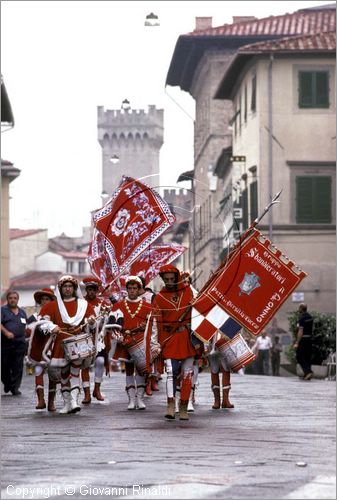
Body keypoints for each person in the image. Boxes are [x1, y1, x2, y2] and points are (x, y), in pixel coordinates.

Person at [39, 275, 96, 414]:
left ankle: (74, 401)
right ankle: (67, 403)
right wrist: (52, 326)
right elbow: (42, 322)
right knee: (64, 372)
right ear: (60, 288)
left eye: (70, 286)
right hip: (60, 342)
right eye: (65, 286)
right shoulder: (51, 306)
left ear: (74, 288)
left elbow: (92, 321)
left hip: (78, 341)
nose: (68, 289)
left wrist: (92, 322)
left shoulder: (84, 305)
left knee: (75, 371)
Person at [151, 265, 196, 421]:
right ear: (162, 279)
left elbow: (201, 309)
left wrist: (197, 301)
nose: (170, 282)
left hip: (187, 338)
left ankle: (183, 406)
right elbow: (156, 322)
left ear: (176, 278)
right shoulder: (159, 297)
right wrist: (155, 343)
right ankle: (170, 404)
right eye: (166, 279)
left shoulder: (189, 291)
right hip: (169, 339)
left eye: (172, 279)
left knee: (187, 374)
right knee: (171, 372)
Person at [107, 276, 157, 411]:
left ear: (139, 289)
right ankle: (131, 399)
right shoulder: (118, 306)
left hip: (141, 342)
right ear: (126, 290)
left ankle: (140, 399)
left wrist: (153, 344)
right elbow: (113, 326)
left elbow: (153, 327)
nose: (132, 291)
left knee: (141, 371)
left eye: (135, 288)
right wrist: (119, 337)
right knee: (129, 371)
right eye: (130, 288)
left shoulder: (148, 306)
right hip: (125, 342)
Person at [80, 276, 111, 404]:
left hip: (99, 337)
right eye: (89, 289)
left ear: (98, 290)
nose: (91, 292)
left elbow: (108, 320)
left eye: (94, 289)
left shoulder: (103, 304)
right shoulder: (80, 303)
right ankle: (86, 394)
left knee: (100, 361)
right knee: (85, 365)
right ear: (86, 289)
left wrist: (106, 314)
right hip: (84, 337)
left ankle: (97, 389)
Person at [26, 288, 58, 410]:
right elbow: (28, 331)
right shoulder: (34, 316)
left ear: (51, 301)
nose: (45, 301)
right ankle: (41, 400)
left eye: (47, 299)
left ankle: (51, 402)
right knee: (38, 372)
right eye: (43, 299)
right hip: (39, 350)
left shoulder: (56, 315)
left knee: (52, 375)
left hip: (53, 349)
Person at [1, 290, 28, 396]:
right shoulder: (3, 310)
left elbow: (25, 325)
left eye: (15, 298)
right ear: (7, 299)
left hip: (20, 343)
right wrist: (6, 332)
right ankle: (7, 383)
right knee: (4, 365)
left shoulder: (22, 312)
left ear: (18, 299)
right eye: (10, 298)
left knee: (18, 366)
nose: (13, 300)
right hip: (5, 343)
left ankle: (15, 387)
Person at [138, 275, 158, 396]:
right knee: (140, 359)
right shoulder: (131, 296)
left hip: (150, 327)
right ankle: (143, 383)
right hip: (137, 330)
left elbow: (156, 310)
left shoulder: (151, 296)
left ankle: (151, 381)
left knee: (152, 356)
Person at [204, 332, 235, 410]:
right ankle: (216, 401)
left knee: (226, 370)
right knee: (214, 371)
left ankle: (226, 400)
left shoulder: (228, 320)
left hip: (225, 345)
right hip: (211, 346)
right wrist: (205, 347)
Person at [294, 303, 314, 380]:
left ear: (301, 309)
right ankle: (307, 375)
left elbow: (300, 331)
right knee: (307, 357)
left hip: (303, 339)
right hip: (309, 339)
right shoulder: (310, 317)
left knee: (299, 356)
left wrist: (297, 342)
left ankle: (308, 371)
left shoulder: (301, 318)